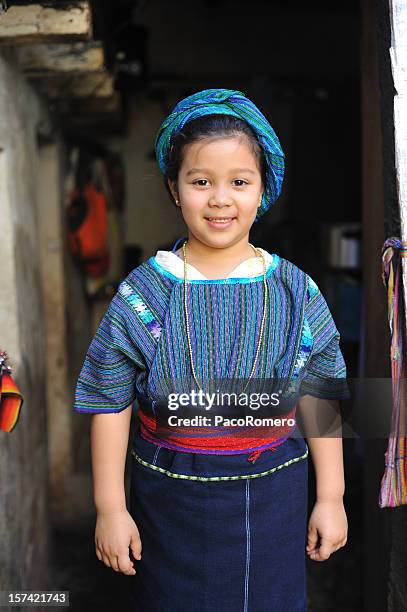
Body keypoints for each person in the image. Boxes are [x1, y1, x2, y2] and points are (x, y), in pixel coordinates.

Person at [73, 88, 348, 611]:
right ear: (175, 190)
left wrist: (331, 497)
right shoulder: (144, 293)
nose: (220, 199)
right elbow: (110, 400)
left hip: (275, 501)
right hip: (170, 504)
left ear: (264, 189)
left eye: (239, 182)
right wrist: (110, 507)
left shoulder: (295, 291)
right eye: (201, 182)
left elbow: (322, 395)